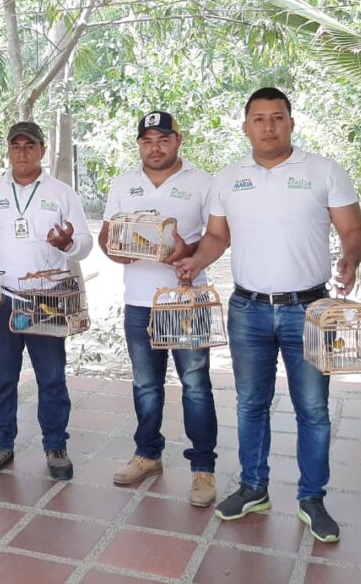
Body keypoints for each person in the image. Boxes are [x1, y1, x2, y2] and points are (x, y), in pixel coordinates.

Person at [176, 87, 361, 543]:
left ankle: (311, 498)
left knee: (313, 409)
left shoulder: (323, 171)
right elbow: (217, 238)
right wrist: (195, 261)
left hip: (309, 308)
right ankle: (254, 487)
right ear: (245, 127)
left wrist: (351, 258)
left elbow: (354, 231)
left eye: (277, 117)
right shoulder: (227, 178)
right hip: (249, 309)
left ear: (291, 123)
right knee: (250, 404)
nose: (268, 126)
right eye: (259, 119)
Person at [0, 121, 92, 480]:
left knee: (51, 377)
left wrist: (68, 245)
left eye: (29, 146)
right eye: (16, 146)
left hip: (46, 299)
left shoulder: (62, 193)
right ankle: (1, 443)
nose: (22, 152)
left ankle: (55, 445)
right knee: (2, 378)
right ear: (8, 151)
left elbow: (84, 243)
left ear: (42, 150)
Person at [98, 111, 219, 506]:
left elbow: (218, 236)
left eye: (163, 139)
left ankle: (203, 470)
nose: (156, 147)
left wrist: (189, 256)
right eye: (148, 140)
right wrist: (118, 254)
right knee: (146, 387)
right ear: (139, 144)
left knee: (196, 388)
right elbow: (107, 235)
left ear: (178, 140)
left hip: (186, 300)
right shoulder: (123, 183)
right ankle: (148, 455)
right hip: (139, 303)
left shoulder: (202, 182)